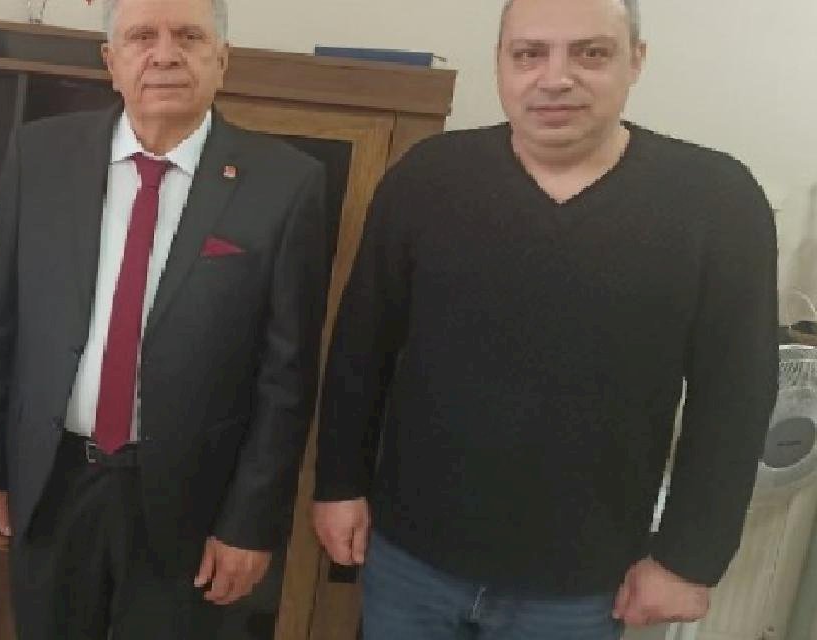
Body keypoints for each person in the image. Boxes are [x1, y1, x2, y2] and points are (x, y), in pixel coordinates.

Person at [312, 0, 778, 636]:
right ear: (501, 63)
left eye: (591, 53)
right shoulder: (427, 178)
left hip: (582, 587)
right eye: (529, 53)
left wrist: (689, 559)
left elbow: (735, 396)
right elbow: (361, 348)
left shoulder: (717, 203)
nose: (555, 78)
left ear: (636, 61)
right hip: (410, 562)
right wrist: (338, 484)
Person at [0, 0, 331, 636]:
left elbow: (286, 381)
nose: (164, 54)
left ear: (222, 59)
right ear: (111, 60)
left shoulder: (285, 184)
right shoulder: (41, 154)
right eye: (142, 36)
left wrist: (249, 523)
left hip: (191, 504)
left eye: (189, 36)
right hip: (49, 482)